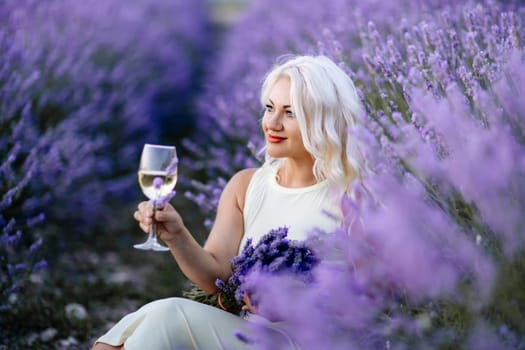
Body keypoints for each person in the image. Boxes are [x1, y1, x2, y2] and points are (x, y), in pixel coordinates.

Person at [92, 54, 365, 350]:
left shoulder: (354, 196)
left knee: (167, 315)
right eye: (269, 108)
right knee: (143, 328)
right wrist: (176, 235)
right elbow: (217, 277)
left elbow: (374, 302)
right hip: (248, 335)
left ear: (324, 120)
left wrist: (296, 302)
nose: (272, 123)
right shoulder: (246, 185)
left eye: (290, 113)